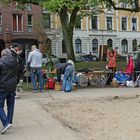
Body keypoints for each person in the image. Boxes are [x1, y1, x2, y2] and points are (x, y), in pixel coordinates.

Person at [0, 48, 18, 134]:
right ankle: (9, 121)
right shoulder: (15, 61)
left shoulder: (1, 63)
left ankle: (5, 123)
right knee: (11, 105)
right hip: (12, 87)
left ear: (3, 55)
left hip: (2, 87)